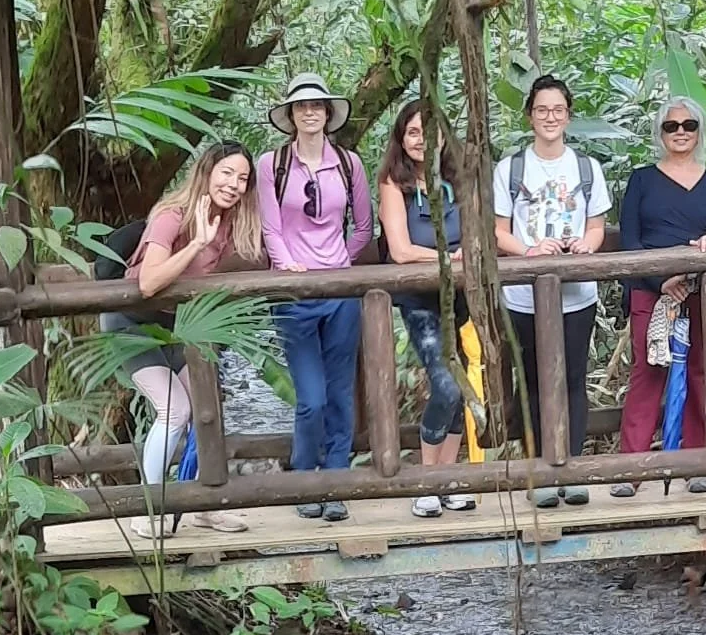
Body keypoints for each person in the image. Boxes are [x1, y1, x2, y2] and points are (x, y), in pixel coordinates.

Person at [101, 141, 265, 532]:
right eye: (226, 173)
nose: (233, 184)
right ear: (206, 172)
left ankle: (203, 504)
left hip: (180, 327)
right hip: (133, 324)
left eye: (242, 178)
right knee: (174, 411)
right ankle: (151, 510)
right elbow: (149, 281)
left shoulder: (230, 223)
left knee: (207, 411)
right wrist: (196, 242)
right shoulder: (172, 216)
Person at [256, 73, 373, 522]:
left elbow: (363, 225)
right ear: (290, 115)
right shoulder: (272, 165)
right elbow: (271, 227)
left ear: (328, 114)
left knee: (341, 393)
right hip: (292, 292)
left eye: (318, 106)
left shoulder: (349, 164)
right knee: (311, 397)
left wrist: (341, 261)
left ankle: (336, 483)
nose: (310, 113)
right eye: (301, 107)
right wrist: (289, 268)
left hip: (339, 291)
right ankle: (306, 479)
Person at [493, 73, 611, 507]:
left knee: (574, 379)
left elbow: (596, 225)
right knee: (535, 382)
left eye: (557, 110)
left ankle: (572, 469)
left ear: (568, 115)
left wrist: (584, 245)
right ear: (529, 116)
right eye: (541, 109)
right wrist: (529, 250)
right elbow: (498, 232)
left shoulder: (585, 168)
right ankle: (541, 472)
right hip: (524, 296)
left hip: (577, 294)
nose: (549, 117)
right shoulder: (511, 169)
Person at [611, 99, 706, 498]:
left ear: (699, 131)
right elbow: (630, 241)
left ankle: (696, 464)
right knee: (648, 372)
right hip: (651, 291)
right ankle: (632, 468)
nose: (680, 132)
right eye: (671, 125)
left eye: (688, 125)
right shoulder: (642, 180)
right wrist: (661, 280)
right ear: (660, 132)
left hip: (701, 292)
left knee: (699, 371)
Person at [378, 99, 479, 522]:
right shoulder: (392, 183)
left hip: (461, 299)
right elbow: (400, 250)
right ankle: (426, 479)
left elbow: (477, 233)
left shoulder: (458, 180)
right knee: (447, 385)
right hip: (420, 301)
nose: (422, 140)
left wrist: (461, 259)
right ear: (402, 138)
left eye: (430, 131)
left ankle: (446, 481)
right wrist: (446, 257)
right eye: (414, 132)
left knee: (459, 390)